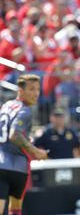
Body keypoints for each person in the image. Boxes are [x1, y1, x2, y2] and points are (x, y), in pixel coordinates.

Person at [0, 74, 49, 215]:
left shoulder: (7, 105)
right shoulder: (25, 111)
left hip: (2, 164)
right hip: (17, 167)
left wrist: (27, 139)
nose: (36, 94)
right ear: (20, 91)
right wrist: (35, 151)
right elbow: (14, 134)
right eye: (31, 89)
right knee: (15, 210)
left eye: (38, 89)